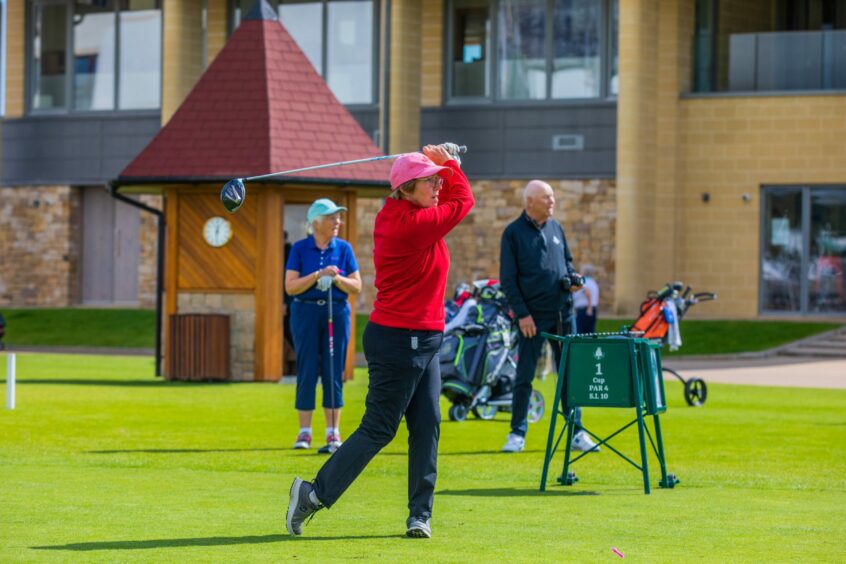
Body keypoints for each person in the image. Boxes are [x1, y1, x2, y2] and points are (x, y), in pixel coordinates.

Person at [286, 144, 474, 539]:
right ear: (405, 189)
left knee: (428, 423)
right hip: (398, 340)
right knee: (380, 428)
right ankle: (311, 494)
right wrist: (450, 163)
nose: (438, 185)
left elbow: (451, 198)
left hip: (427, 338)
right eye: (429, 181)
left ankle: (419, 514)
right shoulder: (408, 224)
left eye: (438, 180)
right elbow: (464, 199)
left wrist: (438, 165)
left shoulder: (414, 212)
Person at [499, 180, 599, 454]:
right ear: (530, 202)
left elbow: (567, 263)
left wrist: (572, 279)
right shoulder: (513, 233)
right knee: (524, 376)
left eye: (552, 197)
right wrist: (522, 315)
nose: (552, 202)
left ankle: (576, 431)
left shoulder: (557, 228)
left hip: (563, 314)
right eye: (546, 198)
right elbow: (508, 280)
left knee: (570, 374)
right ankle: (517, 433)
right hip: (532, 318)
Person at [284, 199, 362, 454]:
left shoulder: (344, 248)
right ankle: (304, 431)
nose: (337, 222)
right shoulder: (299, 248)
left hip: (336, 312)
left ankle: (332, 432)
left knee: (333, 368)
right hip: (305, 311)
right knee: (306, 368)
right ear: (316, 222)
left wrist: (336, 277)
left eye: (338, 218)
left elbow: (357, 286)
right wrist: (318, 276)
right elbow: (291, 286)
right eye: (331, 218)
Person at [574, 264, 599, 334]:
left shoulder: (584, 282)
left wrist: (589, 308)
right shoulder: (593, 283)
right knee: (590, 333)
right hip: (592, 310)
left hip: (585, 310)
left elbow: (587, 293)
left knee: (580, 333)